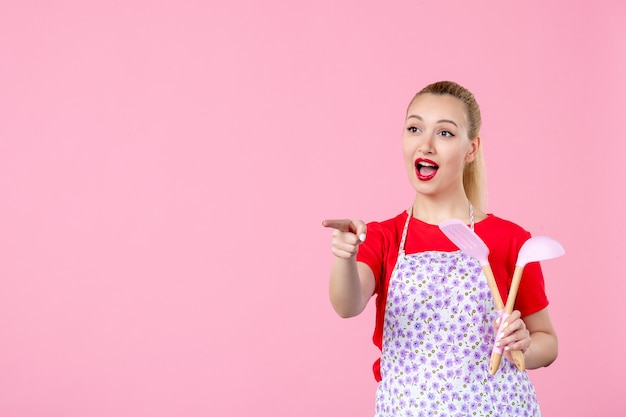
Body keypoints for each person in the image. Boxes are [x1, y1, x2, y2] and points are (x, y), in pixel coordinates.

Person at [322, 81, 558, 417]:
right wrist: (344, 257)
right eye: (414, 128)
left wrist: (524, 346)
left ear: (471, 149)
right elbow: (347, 305)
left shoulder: (512, 240)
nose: (426, 144)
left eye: (445, 133)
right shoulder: (383, 236)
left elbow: (547, 342)